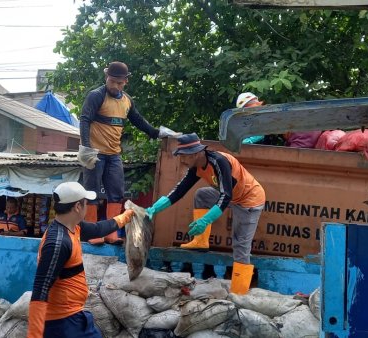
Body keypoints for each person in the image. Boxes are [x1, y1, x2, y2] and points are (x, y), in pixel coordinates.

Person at [145, 133, 266, 295]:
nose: (182, 160)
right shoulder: (196, 167)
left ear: (195, 154)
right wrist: (154, 208)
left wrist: (204, 220)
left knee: (240, 247)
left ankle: (239, 294)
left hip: (249, 200)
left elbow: (226, 196)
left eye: (184, 156)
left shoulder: (219, 162)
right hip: (231, 196)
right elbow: (179, 191)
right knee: (202, 195)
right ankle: (200, 241)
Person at [79, 61, 177, 245]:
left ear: (125, 82)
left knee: (116, 192)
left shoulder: (126, 101)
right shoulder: (96, 96)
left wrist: (156, 133)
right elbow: (84, 120)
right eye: (112, 81)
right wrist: (86, 148)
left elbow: (138, 120)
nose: (115, 86)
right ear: (106, 78)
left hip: (114, 154)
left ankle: (111, 232)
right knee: (91, 192)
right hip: (95, 153)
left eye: (119, 83)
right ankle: (91, 233)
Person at [27, 182, 135, 338]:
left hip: (73, 316)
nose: (88, 206)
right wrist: (34, 335)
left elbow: (98, 229)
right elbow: (40, 288)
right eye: (86, 203)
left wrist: (126, 217)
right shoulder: (58, 242)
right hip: (62, 323)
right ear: (78, 206)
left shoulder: (73, 228)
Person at [236, 92, 321, 148]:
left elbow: (259, 135)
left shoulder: (264, 115)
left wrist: (241, 143)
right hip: (310, 131)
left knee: (291, 159)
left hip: (303, 134)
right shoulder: (271, 110)